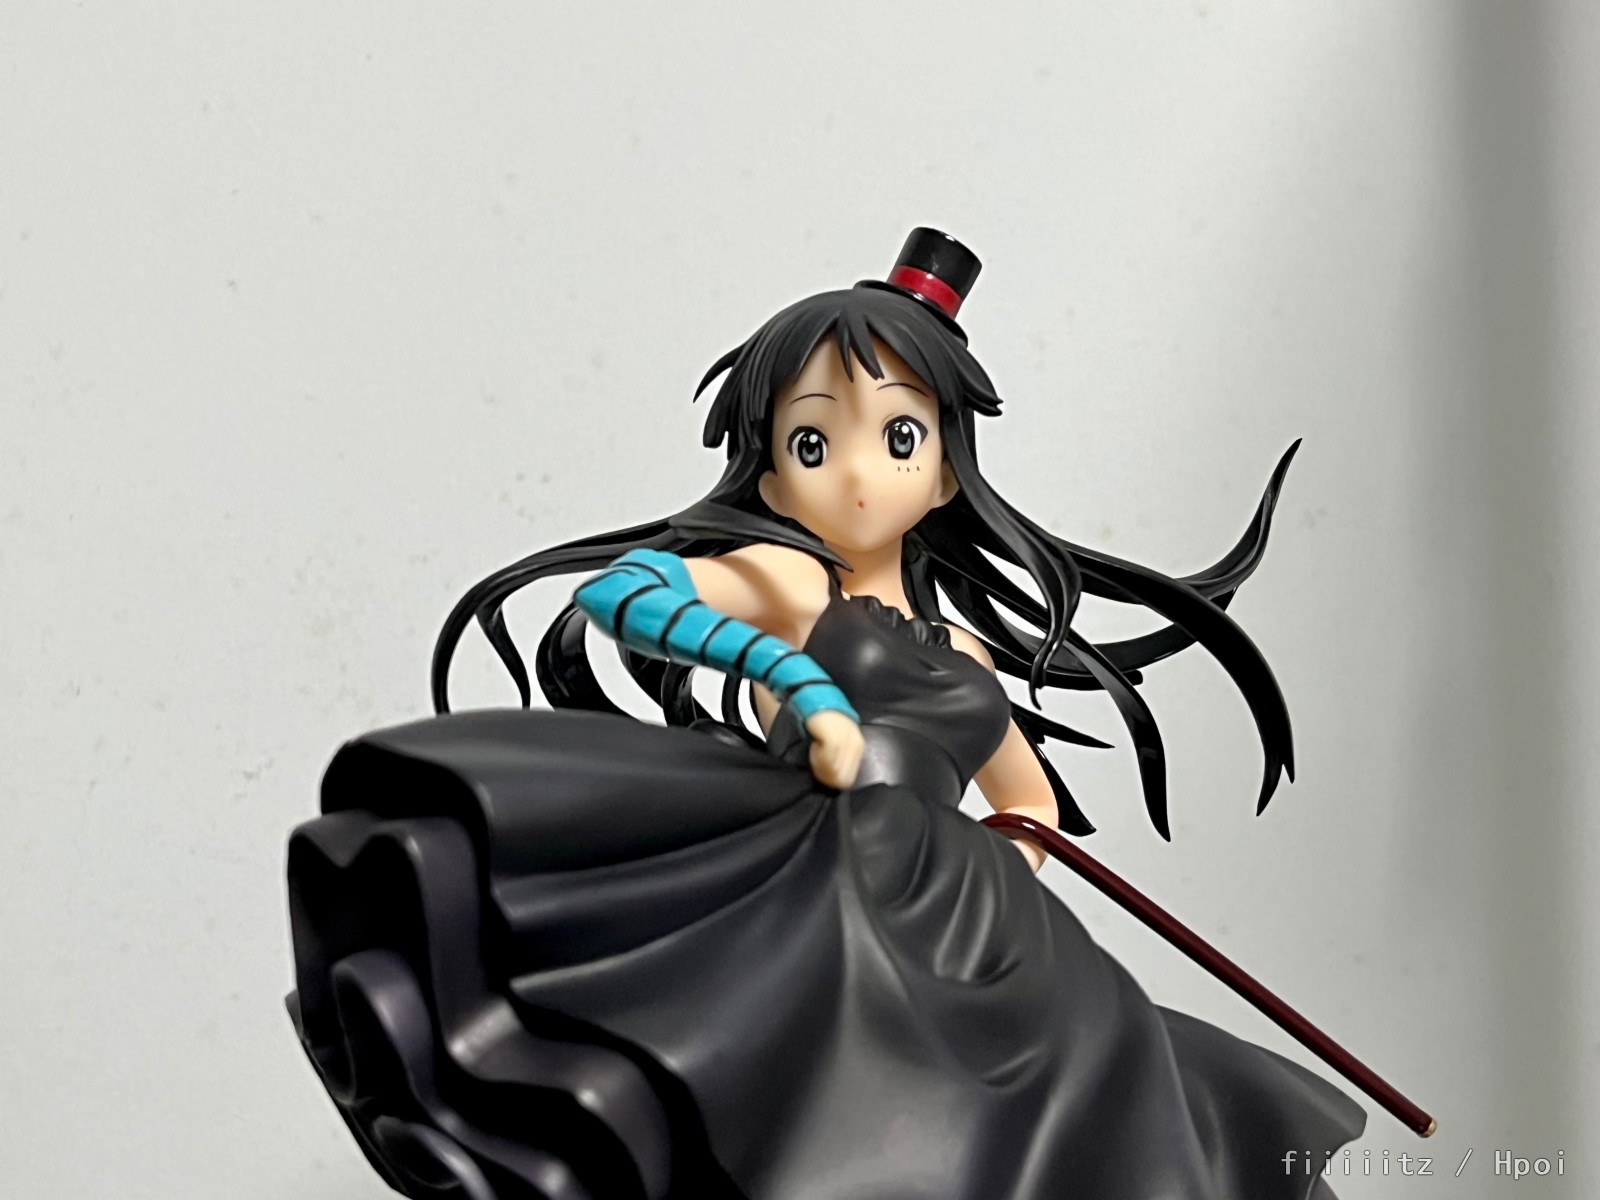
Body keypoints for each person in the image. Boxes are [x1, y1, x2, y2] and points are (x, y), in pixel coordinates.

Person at [286, 230, 1366, 1199]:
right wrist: (786, 675)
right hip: (830, 870)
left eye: (899, 437)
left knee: (1103, 1086)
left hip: (978, 916)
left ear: (944, 474)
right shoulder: (791, 584)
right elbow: (624, 593)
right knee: (824, 1096)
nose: (856, 473)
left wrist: (998, 889)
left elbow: (1026, 801)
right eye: (813, 443)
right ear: (770, 475)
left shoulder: (966, 651)